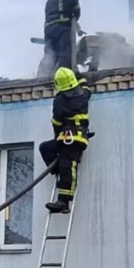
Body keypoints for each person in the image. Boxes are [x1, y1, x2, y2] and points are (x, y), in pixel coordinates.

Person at [39, 67, 93, 214]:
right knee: (46, 148)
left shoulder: (60, 101)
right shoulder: (83, 94)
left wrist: (57, 136)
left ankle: (64, 202)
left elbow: (56, 122)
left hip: (70, 140)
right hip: (75, 138)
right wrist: (80, 76)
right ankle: (57, 172)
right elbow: (86, 86)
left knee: (67, 166)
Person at [40, 0, 83, 76]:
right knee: (65, 53)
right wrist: (76, 16)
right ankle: (64, 75)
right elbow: (75, 7)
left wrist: (78, 28)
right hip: (62, 28)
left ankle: (43, 76)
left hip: (49, 30)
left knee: (50, 54)